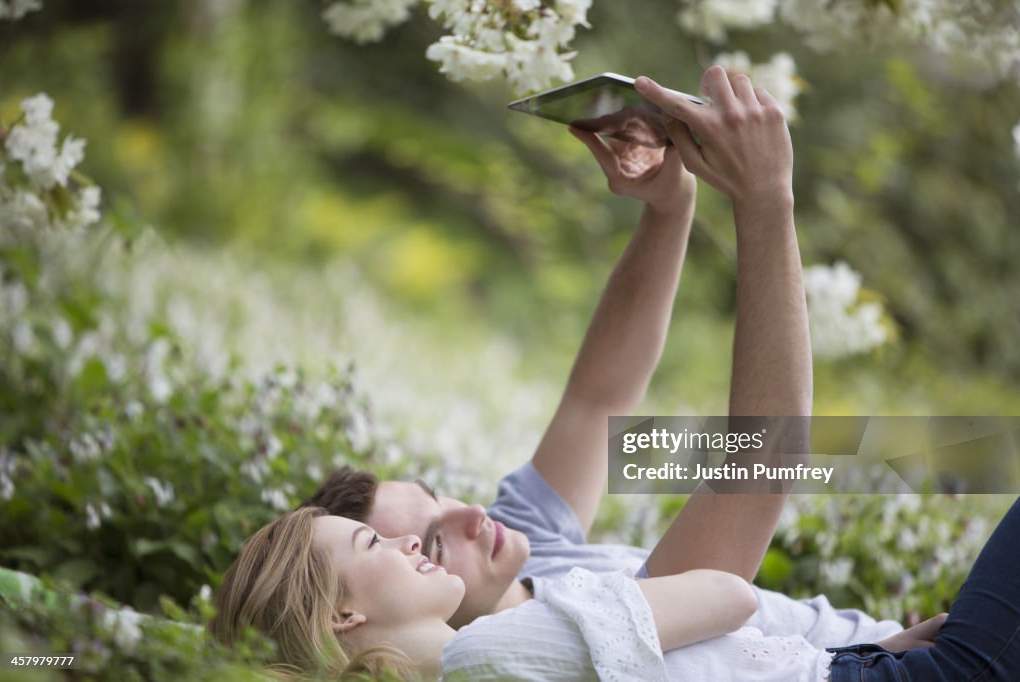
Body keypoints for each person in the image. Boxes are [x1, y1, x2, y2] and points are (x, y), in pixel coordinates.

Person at [300, 64, 900, 647]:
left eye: (439, 498)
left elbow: (597, 397)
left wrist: (668, 206)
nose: (473, 513)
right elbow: (764, 450)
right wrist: (766, 197)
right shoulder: (602, 635)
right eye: (433, 546)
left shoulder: (522, 552)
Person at [211, 495, 1017, 681]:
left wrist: (876, 650)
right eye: (373, 542)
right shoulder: (495, 651)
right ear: (344, 613)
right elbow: (730, 595)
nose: (400, 541)